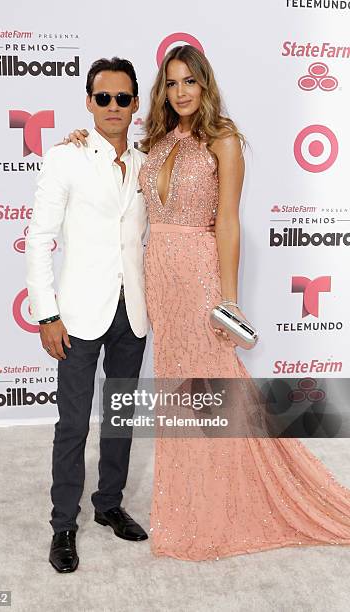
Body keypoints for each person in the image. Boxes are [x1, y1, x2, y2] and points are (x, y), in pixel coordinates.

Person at [65, 45, 350, 562]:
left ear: (205, 83)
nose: (181, 92)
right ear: (163, 91)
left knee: (216, 386)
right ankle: (189, 497)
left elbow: (228, 222)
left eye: (189, 82)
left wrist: (229, 298)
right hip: (157, 281)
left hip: (198, 276)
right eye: (172, 84)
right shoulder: (155, 138)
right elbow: (117, 164)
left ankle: (226, 496)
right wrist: (82, 142)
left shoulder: (225, 140)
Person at [25, 57, 149, 573]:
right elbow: (38, 239)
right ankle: (62, 525)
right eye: (104, 98)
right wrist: (46, 314)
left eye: (123, 98)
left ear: (136, 103)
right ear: (89, 102)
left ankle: (109, 505)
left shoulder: (149, 160)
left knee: (119, 415)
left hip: (133, 311)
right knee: (72, 424)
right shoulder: (65, 157)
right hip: (76, 313)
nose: (114, 107)